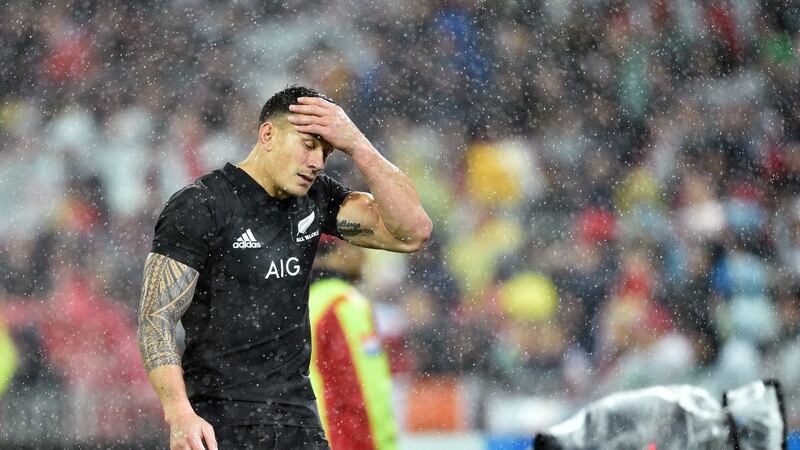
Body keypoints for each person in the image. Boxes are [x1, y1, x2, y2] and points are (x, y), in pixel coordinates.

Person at [137, 86, 432, 450]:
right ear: (268, 135)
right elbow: (156, 318)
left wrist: (358, 145)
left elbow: (413, 232)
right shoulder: (202, 204)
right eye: (309, 145)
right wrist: (179, 412)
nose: (317, 162)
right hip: (222, 421)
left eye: (326, 152)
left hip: (300, 424)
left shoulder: (316, 199)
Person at [308, 236, 398, 450]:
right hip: (346, 441)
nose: (364, 255)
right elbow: (368, 391)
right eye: (359, 244)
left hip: (313, 438)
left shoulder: (303, 302)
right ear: (336, 251)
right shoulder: (345, 304)